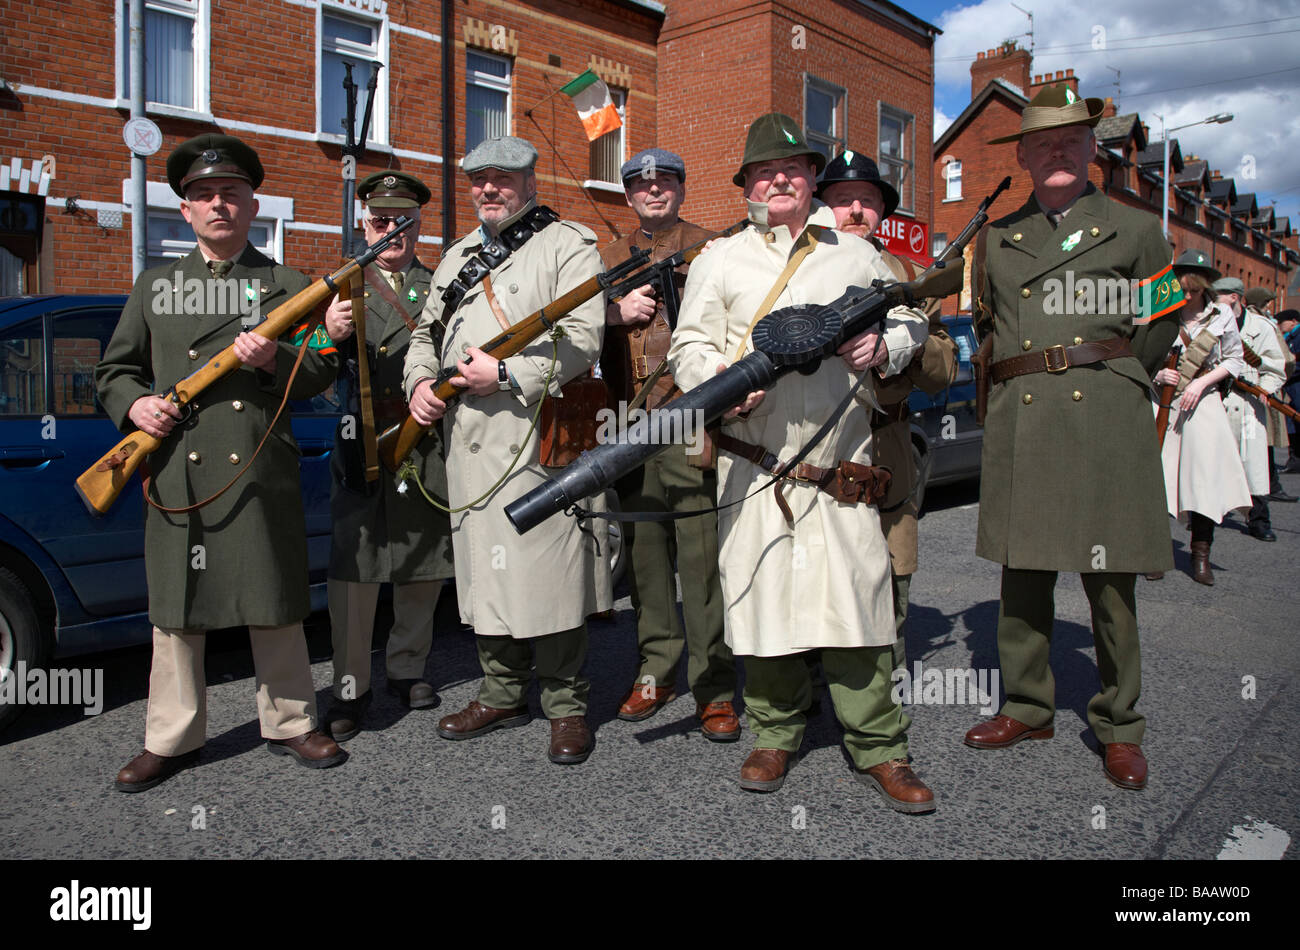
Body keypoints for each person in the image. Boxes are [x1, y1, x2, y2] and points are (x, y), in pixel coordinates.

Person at [668, 113, 935, 812]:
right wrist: (721, 378)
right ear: (748, 185)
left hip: (840, 469)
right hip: (753, 465)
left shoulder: (855, 253)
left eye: (791, 168)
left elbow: (912, 319)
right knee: (765, 604)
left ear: (813, 177)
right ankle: (776, 732)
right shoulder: (718, 261)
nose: (778, 178)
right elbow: (687, 346)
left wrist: (886, 348)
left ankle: (881, 744)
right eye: (763, 171)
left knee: (859, 605)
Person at [97, 133, 347, 791]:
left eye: (230, 194)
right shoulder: (156, 287)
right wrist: (136, 409)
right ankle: (171, 738)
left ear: (251, 203)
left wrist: (277, 361)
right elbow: (114, 370)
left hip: (258, 467)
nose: (218, 205)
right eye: (203, 196)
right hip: (180, 467)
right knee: (177, 607)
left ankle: (292, 721)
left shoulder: (288, 285)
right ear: (185, 211)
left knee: (275, 596)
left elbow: (323, 368)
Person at [963, 85, 1182, 792]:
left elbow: (1161, 322)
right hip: (1024, 411)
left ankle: (1121, 725)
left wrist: (1121, 386)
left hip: (1103, 414)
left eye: (1071, 140)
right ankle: (1028, 705)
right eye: (1043, 142)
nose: (1057, 151)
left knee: (1111, 581)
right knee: (1022, 573)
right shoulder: (997, 237)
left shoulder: (1136, 229)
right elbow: (989, 334)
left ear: (1092, 150)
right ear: (1022, 154)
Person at [404, 136, 612, 765]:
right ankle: (500, 692)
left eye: (502, 179)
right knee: (486, 574)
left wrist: (510, 374)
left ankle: (566, 706)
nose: (489, 190)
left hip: (532, 437)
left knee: (546, 576)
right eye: (478, 180)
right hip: (468, 443)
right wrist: (417, 383)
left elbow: (583, 340)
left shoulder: (566, 244)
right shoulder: (459, 256)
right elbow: (425, 333)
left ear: (530, 183)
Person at [599, 149, 739, 739]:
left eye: (664, 182)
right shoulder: (605, 256)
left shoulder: (714, 247)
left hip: (690, 416)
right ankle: (656, 671)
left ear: (681, 188)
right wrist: (614, 312)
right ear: (629, 195)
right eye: (641, 184)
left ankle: (713, 686)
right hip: (627, 421)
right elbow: (572, 327)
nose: (653, 191)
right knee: (645, 556)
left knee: (701, 559)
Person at [320, 171, 455, 741]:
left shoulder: (442, 283)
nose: (391, 231)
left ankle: (407, 668)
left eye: (402, 222)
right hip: (362, 441)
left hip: (422, 439)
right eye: (380, 221)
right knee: (356, 572)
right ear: (363, 223)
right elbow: (308, 368)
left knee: (420, 563)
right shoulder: (342, 284)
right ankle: (350, 686)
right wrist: (327, 333)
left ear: (418, 225)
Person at [816, 149, 957, 668]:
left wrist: (906, 347)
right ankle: (808, 692)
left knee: (890, 571)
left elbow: (946, 366)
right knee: (816, 569)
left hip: (885, 448)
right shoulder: (796, 272)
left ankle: (884, 685)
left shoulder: (912, 278)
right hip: (814, 448)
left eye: (867, 201)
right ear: (821, 207)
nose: (855, 211)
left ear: (883, 211)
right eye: (841, 200)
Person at [1148, 251, 1251, 585]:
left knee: (1204, 481)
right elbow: (1139, 353)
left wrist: (1204, 383)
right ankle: (1155, 553)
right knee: (1156, 480)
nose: (1188, 295)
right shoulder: (1159, 308)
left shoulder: (1221, 314)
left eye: (1193, 290)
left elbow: (1234, 359)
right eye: (1183, 288)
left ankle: (1200, 555)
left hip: (1202, 403)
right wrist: (1157, 376)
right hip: (1162, 402)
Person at [1213, 277, 1288, 540]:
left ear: (1233, 297)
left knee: (1254, 464)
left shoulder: (1261, 327)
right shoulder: (1210, 323)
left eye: (1218, 295)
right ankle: (1208, 515)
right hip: (1218, 397)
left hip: (1249, 402)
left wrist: (1266, 387)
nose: (1212, 299)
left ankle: (1258, 519)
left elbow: (1277, 366)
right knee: (1214, 459)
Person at [1245, 288, 1298, 503]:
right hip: (1260, 388)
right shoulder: (1265, 324)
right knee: (1261, 447)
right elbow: (1286, 359)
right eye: (1266, 304)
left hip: (1255, 386)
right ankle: (1265, 497)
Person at [1278, 309, 1300, 472]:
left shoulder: (1297, 337)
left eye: (1281, 322)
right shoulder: (1290, 337)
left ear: (1293, 321)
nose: (1279, 325)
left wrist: (1285, 373)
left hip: (1297, 384)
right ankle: (1294, 459)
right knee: (1293, 422)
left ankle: (1296, 460)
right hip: (1292, 387)